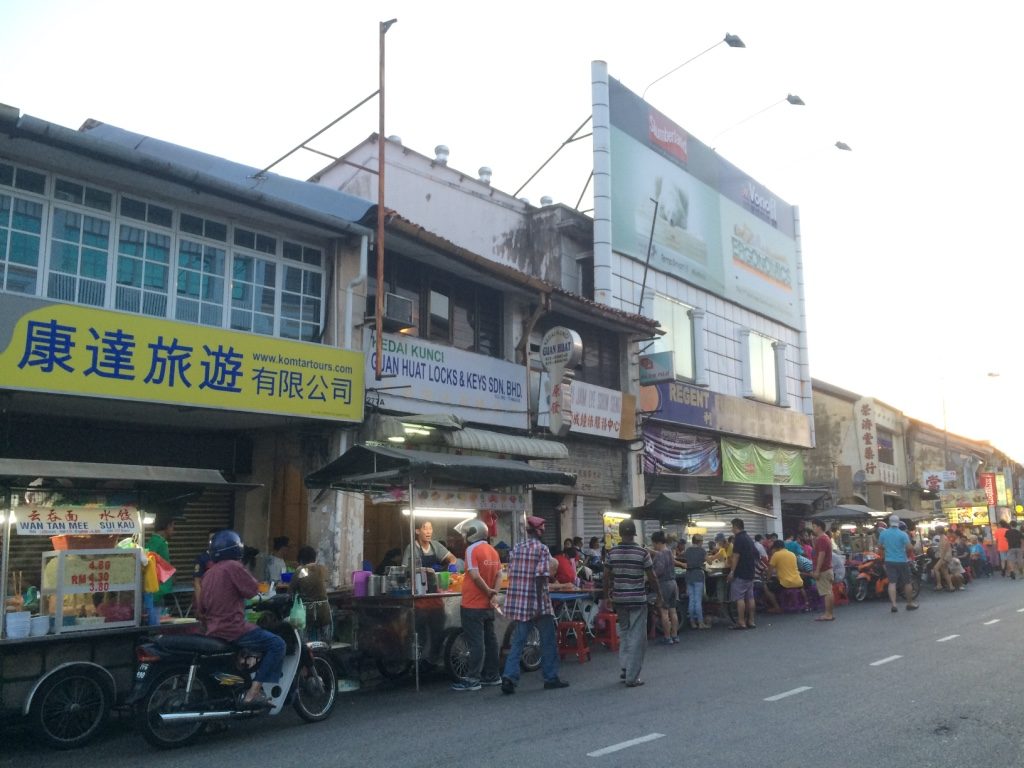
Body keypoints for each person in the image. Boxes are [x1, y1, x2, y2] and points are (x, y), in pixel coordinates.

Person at [198, 530, 285, 708]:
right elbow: (253, 589)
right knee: (277, 644)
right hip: (233, 629)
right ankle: (253, 693)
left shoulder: (209, 573)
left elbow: (202, 608)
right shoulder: (233, 567)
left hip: (213, 629)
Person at [501, 516, 568, 693]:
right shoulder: (542, 549)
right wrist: (538, 603)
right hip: (538, 603)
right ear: (539, 531)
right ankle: (550, 677)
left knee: (518, 641)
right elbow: (540, 577)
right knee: (548, 640)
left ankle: (509, 677)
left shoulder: (516, 548)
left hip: (520, 602)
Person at [603, 519, 662, 687]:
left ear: (620, 534)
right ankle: (632, 677)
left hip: (619, 599)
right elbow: (652, 576)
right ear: (634, 534)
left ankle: (625, 667)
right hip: (637, 599)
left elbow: (606, 575)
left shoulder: (612, 552)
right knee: (638, 638)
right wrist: (659, 595)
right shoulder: (642, 552)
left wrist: (606, 596)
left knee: (625, 632)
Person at [451, 519, 502, 691]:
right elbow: (499, 575)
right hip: (487, 606)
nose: (464, 537)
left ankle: (473, 679)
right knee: (490, 641)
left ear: (473, 533)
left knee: (476, 642)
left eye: (465, 533)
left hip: (472, 605)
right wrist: (493, 593)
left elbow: (474, 575)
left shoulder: (472, 549)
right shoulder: (493, 550)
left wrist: (488, 592)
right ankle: (493, 676)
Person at [290, 545, 332, 642]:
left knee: (304, 643)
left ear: (301, 560)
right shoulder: (322, 569)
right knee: (326, 642)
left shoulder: (302, 571)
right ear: (314, 558)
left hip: (307, 613)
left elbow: (291, 590)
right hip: (324, 611)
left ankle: (306, 655)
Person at [878, 514, 919, 612]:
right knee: (907, 582)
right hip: (902, 561)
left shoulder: (883, 534)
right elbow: (910, 547)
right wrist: (904, 550)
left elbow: (879, 546)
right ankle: (909, 603)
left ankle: (894, 605)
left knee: (892, 583)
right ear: (898, 522)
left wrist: (886, 549)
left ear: (889, 522)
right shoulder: (903, 534)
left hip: (889, 561)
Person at [726, 518, 757, 630]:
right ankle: (751, 621)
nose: (731, 529)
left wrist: (732, 571)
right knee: (750, 597)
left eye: (732, 527)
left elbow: (736, 556)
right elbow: (756, 555)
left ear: (735, 526)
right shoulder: (749, 538)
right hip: (750, 572)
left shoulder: (738, 539)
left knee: (739, 598)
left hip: (741, 573)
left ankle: (741, 622)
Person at [650, 531, 679, 644]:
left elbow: (659, 571)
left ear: (657, 542)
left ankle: (667, 637)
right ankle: (675, 635)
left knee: (664, 612)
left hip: (664, 584)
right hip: (673, 583)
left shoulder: (661, 554)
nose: (653, 546)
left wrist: (650, 576)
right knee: (673, 611)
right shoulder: (669, 552)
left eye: (654, 544)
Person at [145, 514, 176, 615]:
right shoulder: (161, 544)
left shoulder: (152, 541)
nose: (173, 531)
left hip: (151, 591)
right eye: (173, 527)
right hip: (157, 592)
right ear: (167, 526)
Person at [763, 540, 804, 613]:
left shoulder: (776, 555)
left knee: (766, 586)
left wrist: (767, 579)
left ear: (776, 548)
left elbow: (770, 571)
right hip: (798, 581)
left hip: (786, 583)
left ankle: (777, 607)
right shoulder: (792, 554)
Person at [192, 528, 221, 622]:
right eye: (210, 539)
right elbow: (197, 583)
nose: (212, 542)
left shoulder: (226, 558)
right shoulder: (202, 558)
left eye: (215, 539)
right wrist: (199, 604)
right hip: (207, 600)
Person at [810, 519, 835, 621]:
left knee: (826, 592)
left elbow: (821, 555)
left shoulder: (822, 539)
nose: (813, 529)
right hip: (827, 568)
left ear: (819, 527)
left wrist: (817, 570)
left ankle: (828, 614)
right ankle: (829, 613)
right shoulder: (825, 538)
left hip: (823, 569)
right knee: (829, 591)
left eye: (814, 526)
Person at [683, 534, 709, 629]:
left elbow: (684, 559)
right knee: (698, 600)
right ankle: (701, 623)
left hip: (689, 575)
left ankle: (692, 622)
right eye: (702, 541)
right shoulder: (702, 550)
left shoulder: (688, 550)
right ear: (699, 541)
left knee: (691, 600)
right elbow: (709, 561)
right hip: (698, 575)